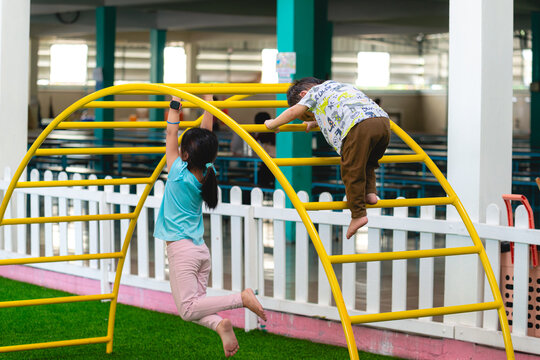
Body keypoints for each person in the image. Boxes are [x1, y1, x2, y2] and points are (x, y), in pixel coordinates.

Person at [154, 94, 267, 358]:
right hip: (199, 252)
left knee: (188, 310)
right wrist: (207, 103)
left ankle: (241, 299)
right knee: (198, 306)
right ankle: (220, 324)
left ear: (184, 154)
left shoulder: (177, 172)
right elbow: (199, 134)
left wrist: (174, 104)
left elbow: (172, 131)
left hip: (183, 252)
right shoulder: (205, 172)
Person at [264, 77, 391, 239]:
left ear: (304, 95)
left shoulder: (313, 93)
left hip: (358, 126)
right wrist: (315, 121)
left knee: (352, 169)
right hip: (382, 122)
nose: (311, 117)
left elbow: (292, 112)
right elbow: (335, 111)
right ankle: (370, 193)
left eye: (308, 114)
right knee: (368, 162)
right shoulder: (339, 87)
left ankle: (358, 214)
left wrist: (274, 123)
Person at [253, 111, 275, 188]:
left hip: (269, 163)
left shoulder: (262, 135)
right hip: (271, 162)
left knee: (262, 174)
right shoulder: (273, 133)